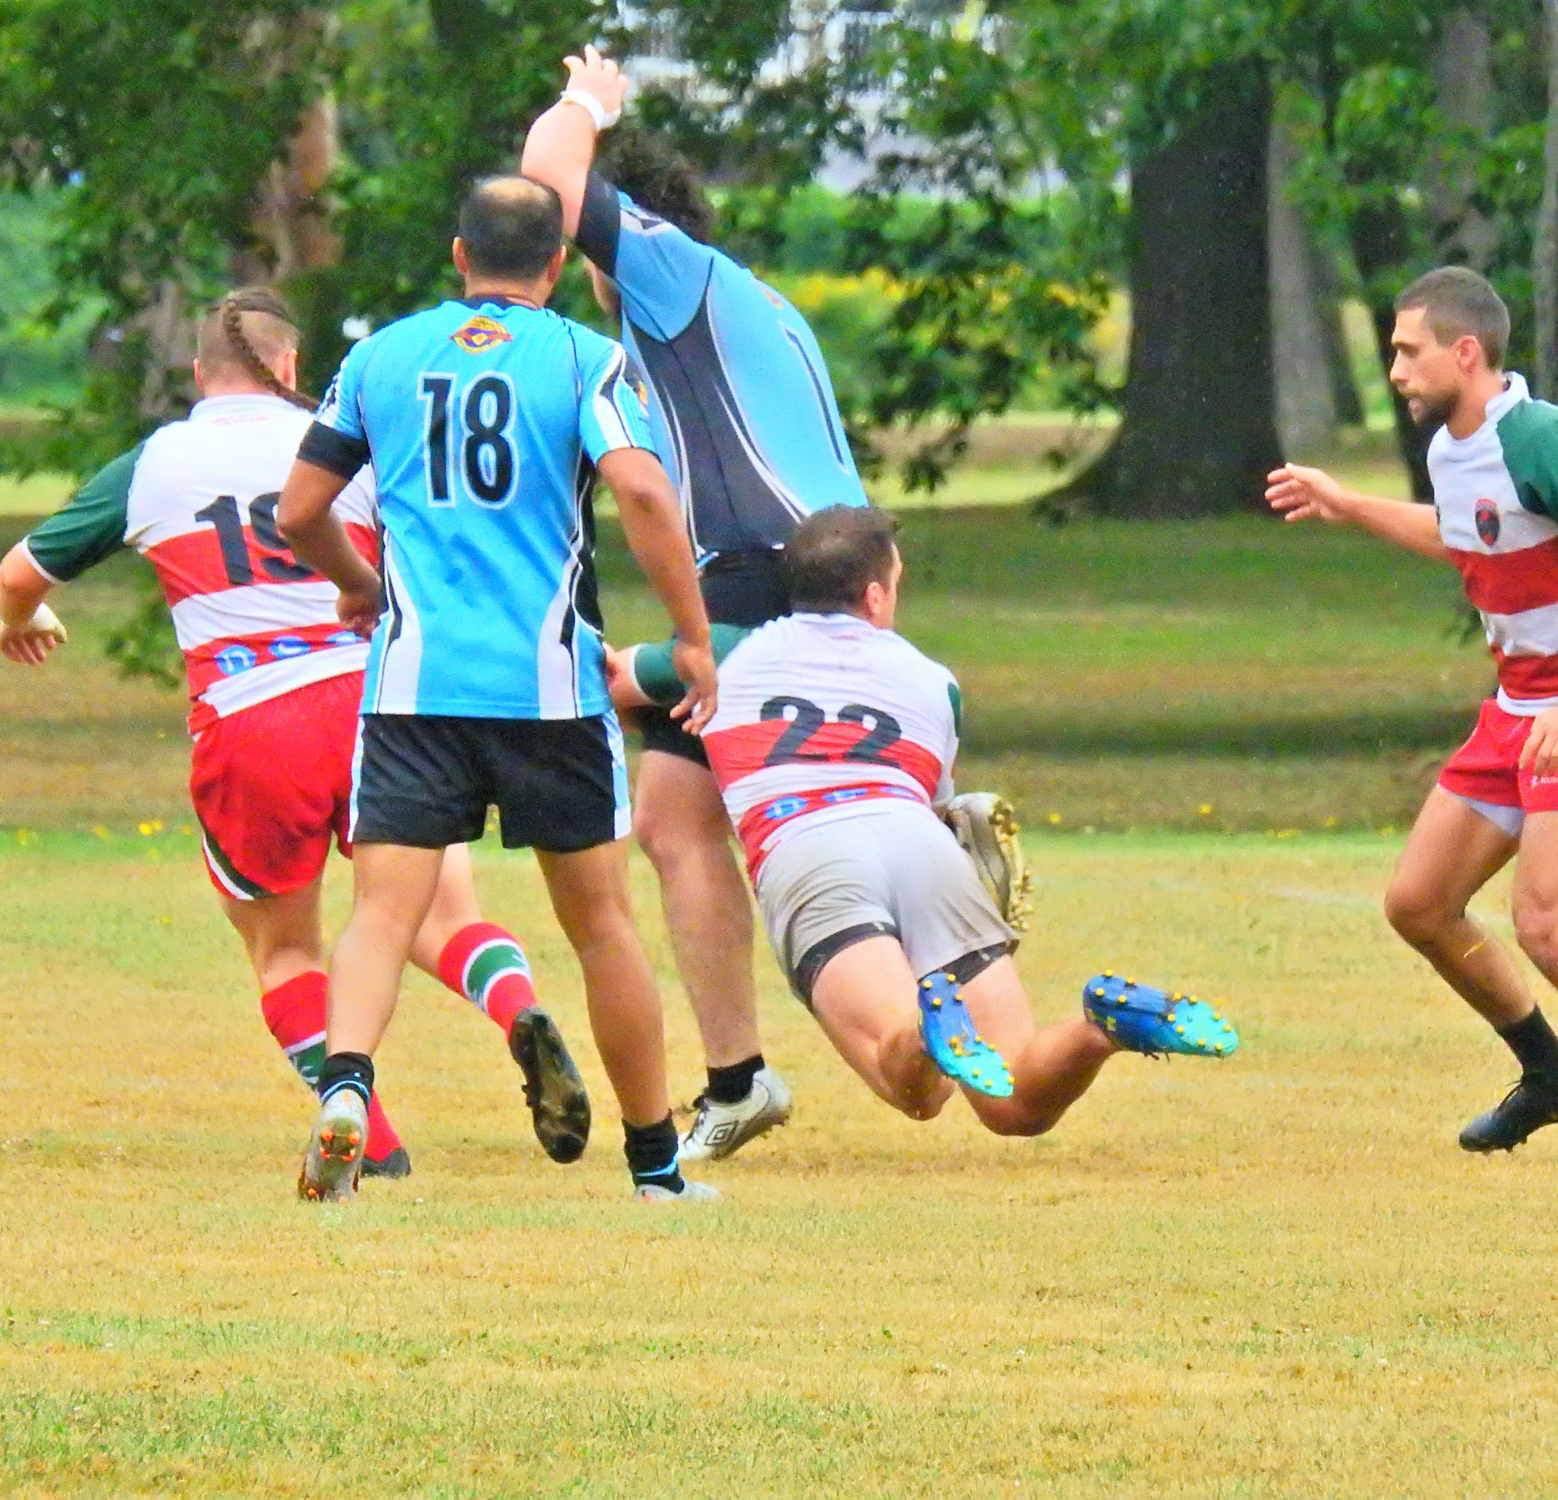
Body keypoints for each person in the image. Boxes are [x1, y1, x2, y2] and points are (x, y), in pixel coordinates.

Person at [0, 288, 593, 1180]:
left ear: (201, 375)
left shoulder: (156, 460)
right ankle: (516, 1011)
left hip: (250, 716)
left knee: (284, 952)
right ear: (289, 368)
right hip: (375, 700)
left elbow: (20, 572)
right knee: (437, 916)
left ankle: (369, 1140)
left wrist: (22, 619)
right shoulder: (347, 440)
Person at [277, 176, 722, 1203]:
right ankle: (655, 1171)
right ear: (557, 263)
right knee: (601, 924)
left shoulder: (380, 356)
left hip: (413, 687)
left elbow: (300, 507)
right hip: (549, 695)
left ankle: (345, 1091)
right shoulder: (584, 358)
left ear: (457, 253)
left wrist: (358, 588)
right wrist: (691, 640)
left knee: (382, 916)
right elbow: (644, 489)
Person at [1266, 265, 1558, 1169]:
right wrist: (1352, 504)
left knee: (1547, 922)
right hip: (1518, 703)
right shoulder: (1451, 444)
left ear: (1464, 353)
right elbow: (1463, 533)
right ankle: (1553, 1078)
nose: (1395, 369)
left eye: (1408, 351)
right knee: (1419, 903)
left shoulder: (1540, 438)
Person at [519, 47, 877, 1161]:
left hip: (774, 570)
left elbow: (547, 181)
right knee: (675, 820)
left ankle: (933, 856)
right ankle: (738, 1078)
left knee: (661, 715)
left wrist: (589, 103)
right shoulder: (755, 305)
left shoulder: (672, 279)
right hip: (821, 559)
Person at [609, 506, 1238, 1134]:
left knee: (912, 1084)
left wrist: (656, 709)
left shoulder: (721, 652)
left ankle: (927, 1025)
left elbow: (601, 680)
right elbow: (938, 804)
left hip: (809, 846)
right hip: (920, 844)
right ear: (876, 594)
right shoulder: (935, 682)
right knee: (1015, 1104)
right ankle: (1098, 1027)